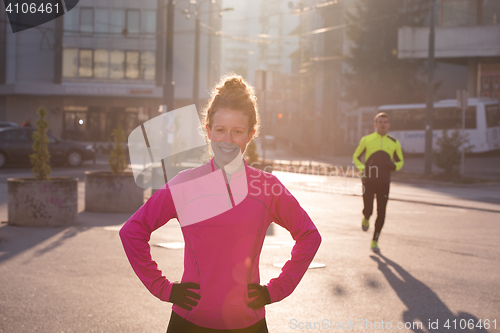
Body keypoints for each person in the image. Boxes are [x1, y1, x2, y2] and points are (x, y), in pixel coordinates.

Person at [119, 74, 322, 332]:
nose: (227, 140)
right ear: (208, 131)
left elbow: (309, 235)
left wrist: (275, 290)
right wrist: (164, 289)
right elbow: (132, 231)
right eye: (220, 130)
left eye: (237, 132)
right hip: (189, 322)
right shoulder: (185, 184)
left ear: (251, 134)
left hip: (248, 324)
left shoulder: (267, 187)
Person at [353, 112, 403, 253]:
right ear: (375, 125)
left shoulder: (394, 142)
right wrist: (363, 169)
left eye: (385, 122)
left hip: (384, 182)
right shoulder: (367, 140)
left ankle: (375, 240)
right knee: (369, 208)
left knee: (381, 212)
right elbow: (356, 156)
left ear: (388, 125)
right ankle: (366, 217)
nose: (383, 124)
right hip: (368, 180)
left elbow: (400, 161)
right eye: (380, 122)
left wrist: (395, 166)